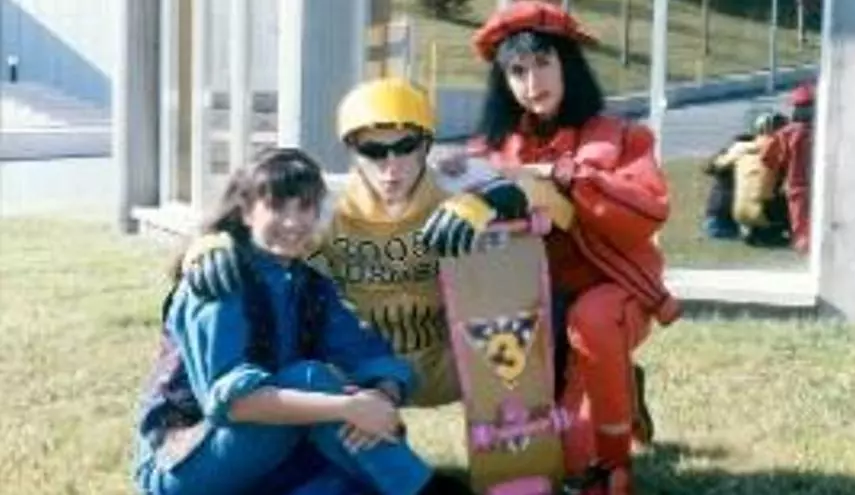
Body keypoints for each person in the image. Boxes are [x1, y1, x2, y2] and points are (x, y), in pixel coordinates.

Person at [420, 2, 681, 493]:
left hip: (608, 293)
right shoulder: (487, 150)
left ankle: (612, 465)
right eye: (517, 71)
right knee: (549, 453)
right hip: (534, 305)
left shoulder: (623, 138)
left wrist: (558, 177)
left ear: (569, 65)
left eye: (543, 63)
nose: (531, 81)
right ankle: (618, 383)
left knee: (593, 328)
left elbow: (649, 212)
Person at [133, 148, 471, 495]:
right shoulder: (220, 279)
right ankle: (428, 490)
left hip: (269, 445)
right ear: (247, 212)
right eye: (277, 207)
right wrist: (349, 407)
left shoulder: (307, 282)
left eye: (305, 207)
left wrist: (380, 396)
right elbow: (234, 404)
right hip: (188, 459)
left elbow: (365, 351)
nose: (293, 223)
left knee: (353, 484)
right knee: (310, 380)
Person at [177, 78, 527, 408]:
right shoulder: (325, 203)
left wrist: (487, 201)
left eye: (405, 147)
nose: (391, 166)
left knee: (513, 262)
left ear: (426, 146)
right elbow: (251, 219)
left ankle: (514, 431)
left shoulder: (456, 183)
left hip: (448, 361)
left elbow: (527, 190)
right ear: (353, 151)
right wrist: (208, 245)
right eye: (373, 150)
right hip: (357, 364)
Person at [705, 112, 790, 246]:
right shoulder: (776, 151)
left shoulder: (739, 151)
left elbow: (709, 167)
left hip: (731, 217)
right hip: (733, 219)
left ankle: (758, 232)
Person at [761, 82, 815, 254]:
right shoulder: (826, 130)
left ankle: (806, 251)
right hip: (822, 186)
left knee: (801, 230)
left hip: (797, 187)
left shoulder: (786, 133)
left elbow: (767, 158)